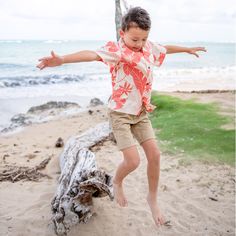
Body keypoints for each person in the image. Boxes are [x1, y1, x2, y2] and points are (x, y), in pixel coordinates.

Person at [37, 6, 206, 227]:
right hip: (120, 115)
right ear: (122, 33)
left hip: (141, 114)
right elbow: (91, 54)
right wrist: (62, 59)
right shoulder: (115, 51)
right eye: (135, 39)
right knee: (133, 161)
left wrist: (186, 49)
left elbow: (164, 48)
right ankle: (117, 181)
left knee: (155, 155)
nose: (139, 44)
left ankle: (152, 199)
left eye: (144, 39)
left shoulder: (147, 47)